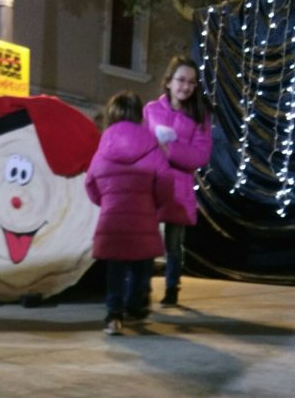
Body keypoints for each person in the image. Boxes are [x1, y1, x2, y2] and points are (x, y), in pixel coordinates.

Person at [85, 91, 172, 335]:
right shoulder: (152, 146)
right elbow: (166, 182)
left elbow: (90, 184)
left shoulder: (103, 148)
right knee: (141, 267)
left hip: (113, 219)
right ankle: (135, 307)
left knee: (116, 268)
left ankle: (114, 315)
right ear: (138, 115)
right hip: (144, 217)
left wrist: (107, 202)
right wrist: (154, 203)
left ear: (110, 116)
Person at [143, 56, 213, 306]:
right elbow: (140, 142)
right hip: (151, 183)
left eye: (191, 82)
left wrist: (170, 148)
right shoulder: (151, 110)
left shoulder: (199, 116)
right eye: (181, 80)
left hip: (178, 187)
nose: (186, 86)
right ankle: (142, 287)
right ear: (169, 81)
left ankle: (172, 288)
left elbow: (201, 155)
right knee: (145, 238)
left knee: (174, 243)